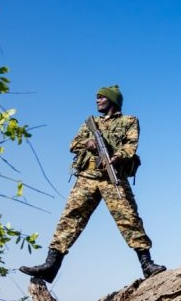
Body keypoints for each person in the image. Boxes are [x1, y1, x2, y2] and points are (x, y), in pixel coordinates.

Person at [20, 85, 166, 283]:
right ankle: (50, 266)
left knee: (129, 219)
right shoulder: (91, 123)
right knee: (70, 219)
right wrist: (88, 143)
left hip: (112, 177)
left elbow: (130, 147)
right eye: (96, 98)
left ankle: (147, 265)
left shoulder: (129, 121)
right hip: (87, 177)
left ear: (112, 100)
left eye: (101, 98)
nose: (97, 101)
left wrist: (116, 157)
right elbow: (73, 144)